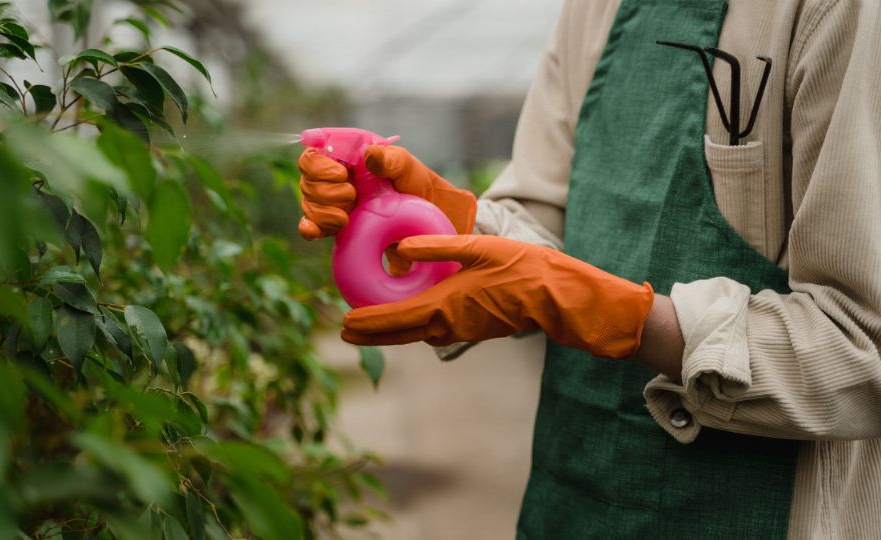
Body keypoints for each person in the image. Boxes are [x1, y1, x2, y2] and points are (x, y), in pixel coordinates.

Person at [296, 0, 881, 537]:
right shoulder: (597, 8)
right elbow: (542, 211)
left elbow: (861, 344)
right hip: (575, 489)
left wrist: (621, 316)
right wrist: (453, 223)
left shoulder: (838, 13)